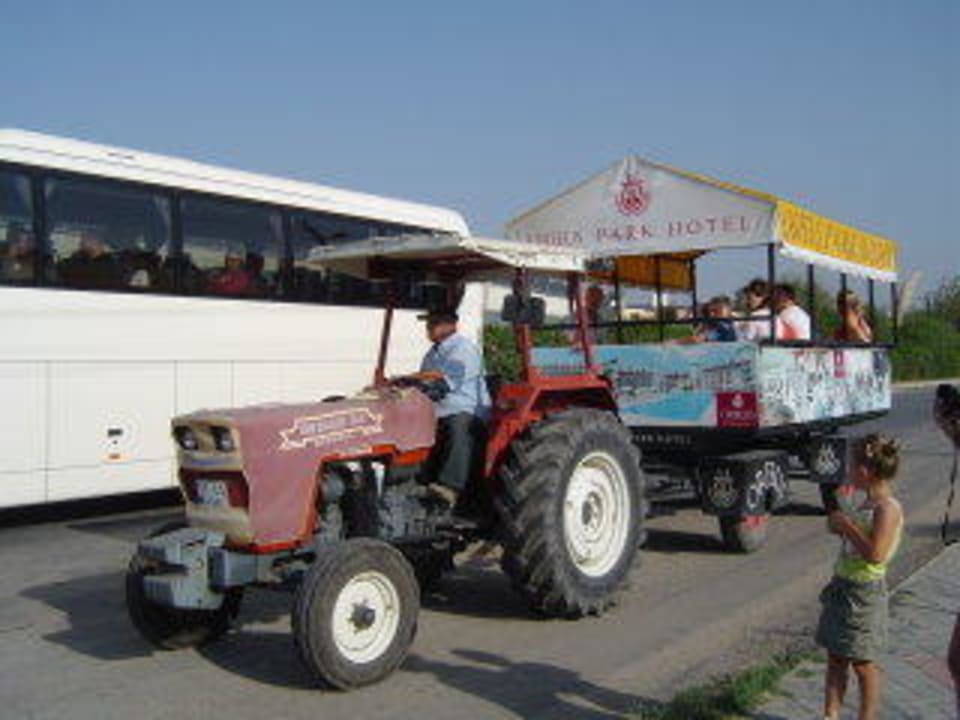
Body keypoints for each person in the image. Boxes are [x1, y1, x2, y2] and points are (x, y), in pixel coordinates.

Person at [817, 433, 903, 720]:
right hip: (842, 587)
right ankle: (830, 714)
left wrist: (848, 527)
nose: (848, 471)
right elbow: (850, 536)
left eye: (852, 466)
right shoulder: (863, 503)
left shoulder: (887, 508)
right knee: (835, 657)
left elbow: (876, 554)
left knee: (863, 664)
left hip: (865, 595)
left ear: (866, 472)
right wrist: (838, 524)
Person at [411, 309, 491, 510]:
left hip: (466, 408)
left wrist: (423, 388)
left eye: (433, 323)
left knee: (458, 425)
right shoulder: (432, 353)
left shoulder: (463, 349)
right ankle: (415, 481)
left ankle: (450, 487)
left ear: (450, 325)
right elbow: (424, 380)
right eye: (428, 324)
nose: (428, 328)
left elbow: (443, 385)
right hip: (439, 410)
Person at [58, 231, 123, 290]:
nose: (82, 243)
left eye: (89, 239)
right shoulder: (74, 262)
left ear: (99, 243)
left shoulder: (111, 265)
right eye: (83, 240)